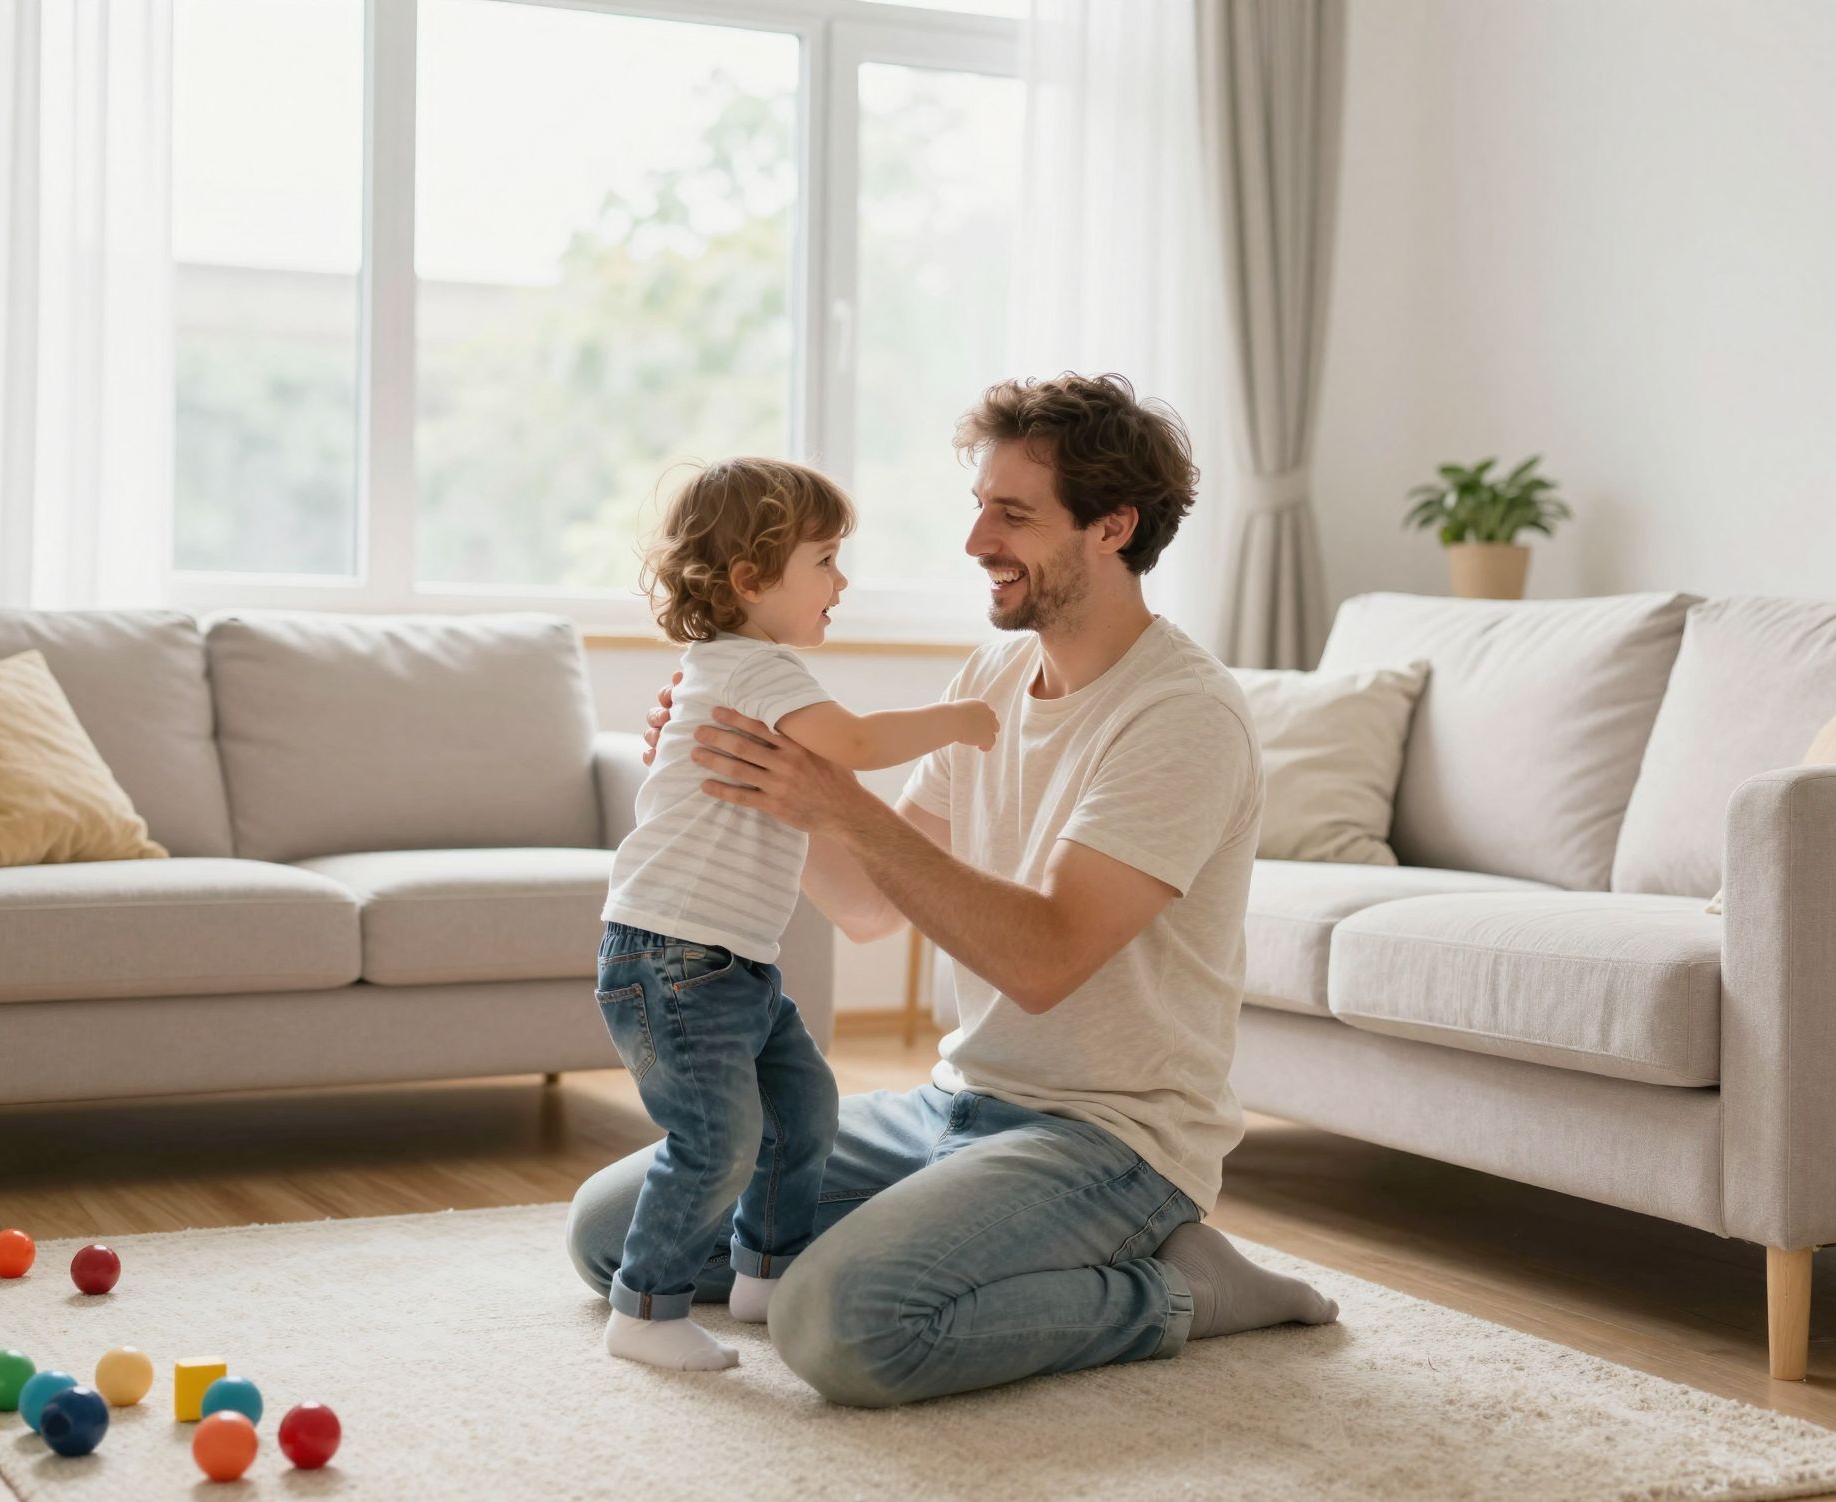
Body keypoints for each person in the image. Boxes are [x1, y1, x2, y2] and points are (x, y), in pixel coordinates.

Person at [570, 377, 1336, 1405]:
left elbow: (1042, 959)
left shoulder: (1179, 718)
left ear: (1112, 527)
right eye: (978, 506)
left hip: (1107, 1138)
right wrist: (748, 780)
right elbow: (868, 904)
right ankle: (953, 1237)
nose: (976, 539)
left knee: (839, 1324)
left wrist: (835, 796)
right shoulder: (989, 679)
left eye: (1012, 515)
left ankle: (1178, 1289)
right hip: (953, 1103)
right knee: (610, 1237)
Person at [596, 456, 999, 1373]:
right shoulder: (754, 668)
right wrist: (957, 720)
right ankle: (646, 1311)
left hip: (729, 964)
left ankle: (765, 1272)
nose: (842, 582)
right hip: (676, 959)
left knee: (804, 1107)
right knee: (716, 1139)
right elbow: (853, 744)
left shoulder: (731, 669)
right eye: (824, 560)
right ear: (749, 580)